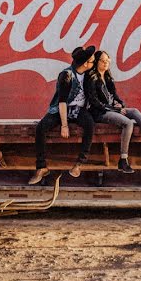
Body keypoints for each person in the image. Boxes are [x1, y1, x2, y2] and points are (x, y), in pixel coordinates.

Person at [85, 50, 141, 173]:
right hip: (99, 113)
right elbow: (94, 102)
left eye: (107, 61)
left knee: (134, 111)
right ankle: (123, 160)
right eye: (103, 61)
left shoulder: (108, 76)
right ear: (97, 62)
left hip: (112, 109)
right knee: (128, 123)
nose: (106, 63)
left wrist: (120, 104)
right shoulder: (92, 78)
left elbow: (115, 95)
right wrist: (116, 109)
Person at [28, 45, 97, 185]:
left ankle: (79, 164)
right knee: (41, 127)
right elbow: (62, 102)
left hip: (79, 110)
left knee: (90, 124)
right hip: (61, 109)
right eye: (92, 61)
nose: (94, 63)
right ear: (85, 63)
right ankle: (41, 167)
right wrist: (64, 125)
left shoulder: (89, 75)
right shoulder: (66, 75)